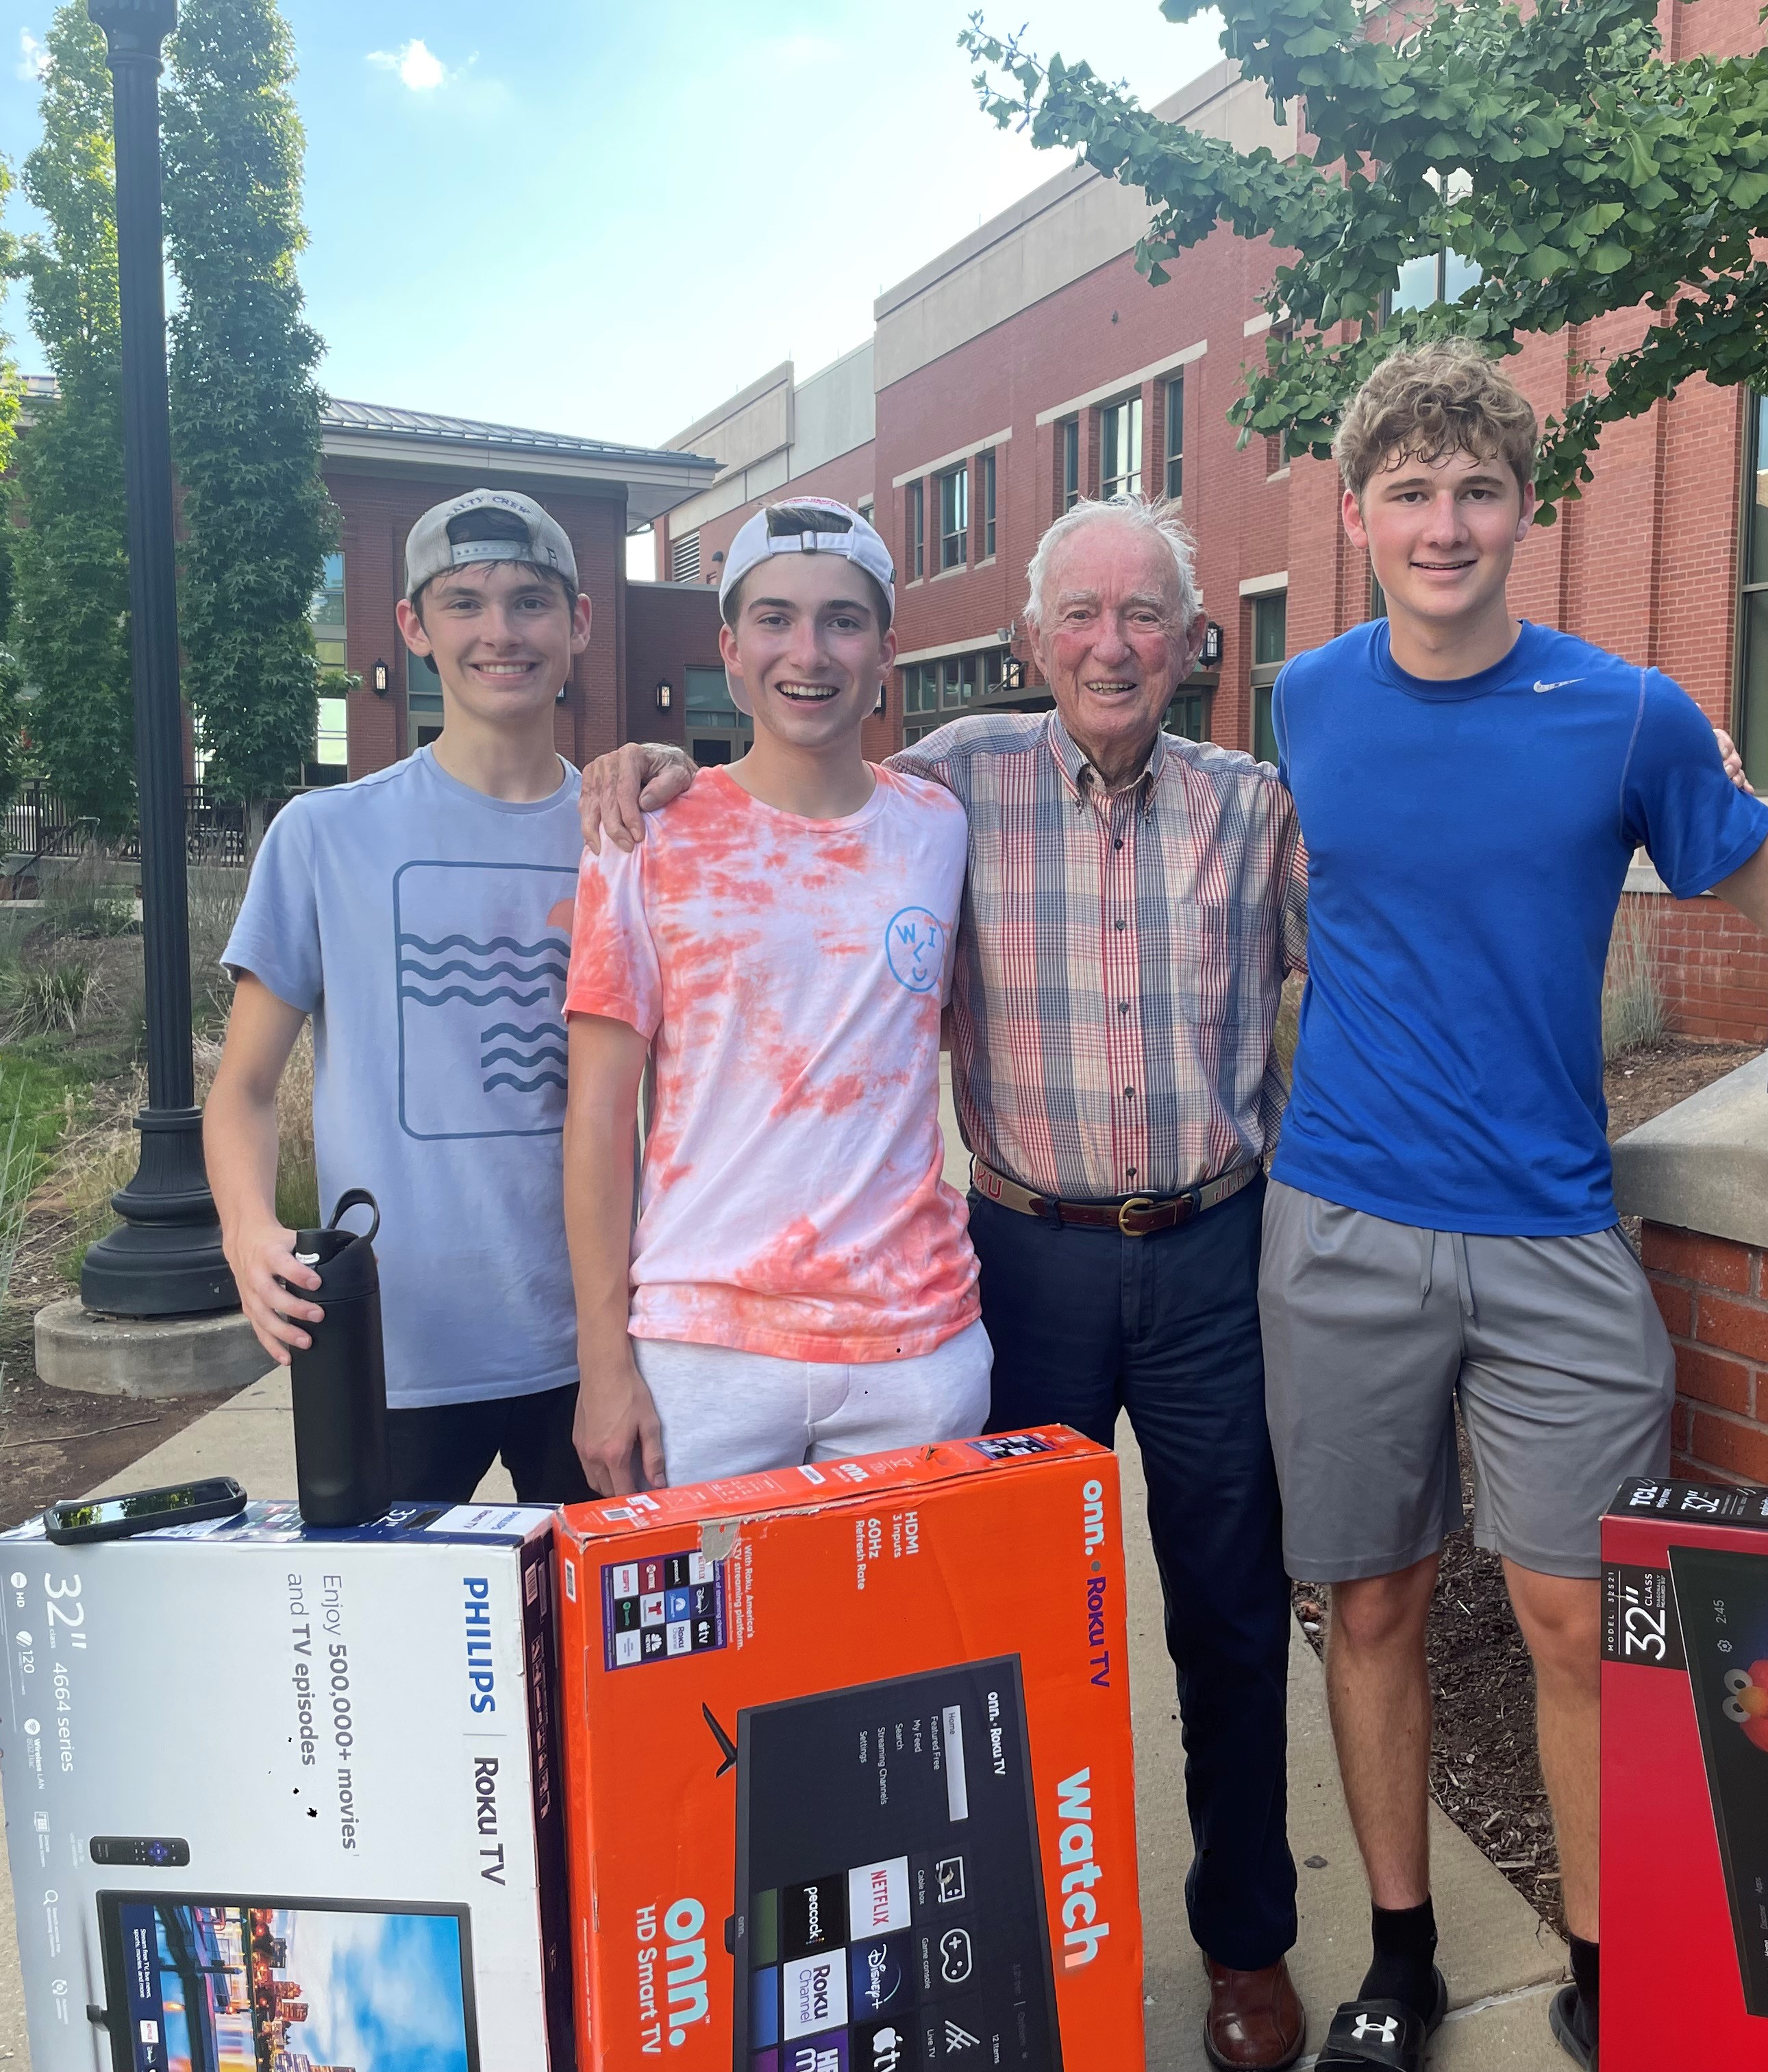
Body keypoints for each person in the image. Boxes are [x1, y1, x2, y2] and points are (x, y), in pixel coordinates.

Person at [580, 497, 1315, 2072]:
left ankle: (1247, 1946)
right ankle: (1029, 1946)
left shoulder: (1258, 809)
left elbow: (1386, 945)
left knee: (1233, 1620)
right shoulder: (955, 783)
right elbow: (787, 791)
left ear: (1194, 645)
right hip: (1022, 1261)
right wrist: (648, 768)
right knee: (1014, 1638)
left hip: (1210, 1259)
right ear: (1034, 639)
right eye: (1082, 617)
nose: (1112, 646)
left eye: (1147, 618)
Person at [1262, 340, 1768, 2072]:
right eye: (1409, 491)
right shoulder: (1309, 700)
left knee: (1575, 1615)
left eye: (1477, 489)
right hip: (1339, 1220)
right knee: (1376, 1601)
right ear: (1356, 514)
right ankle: (1399, 1958)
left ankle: (1609, 1967)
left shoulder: (1624, 708)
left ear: (1525, 510)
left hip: (1553, 1227)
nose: (1444, 521)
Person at [562, 497, 985, 1495]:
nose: (811, 650)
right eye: (776, 619)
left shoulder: (938, 824)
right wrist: (602, 1363)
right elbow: (594, 1118)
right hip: (702, 1354)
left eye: (843, 619)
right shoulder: (645, 837)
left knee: (905, 1656)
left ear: (886, 649)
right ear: (730, 648)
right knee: (709, 1654)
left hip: (915, 1350)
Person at [206, 488, 598, 1503]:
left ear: (578, 624)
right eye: (464, 603)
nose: (500, 631)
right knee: (395, 1660)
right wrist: (248, 1228)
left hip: (599, 1347)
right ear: (415, 629)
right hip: (391, 1347)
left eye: (530, 601)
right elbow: (245, 1086)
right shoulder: (325, 836)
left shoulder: (633, 836)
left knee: (609, 1656)